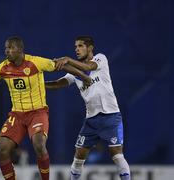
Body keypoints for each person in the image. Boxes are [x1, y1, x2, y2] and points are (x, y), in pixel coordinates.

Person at [0, 36, 91, 180]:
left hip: (38, 112)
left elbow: (62, 65)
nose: (7, 51)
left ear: (20, 50)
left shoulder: (35, 62)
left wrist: (84, 77)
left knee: (38, 145)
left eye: (11, 48)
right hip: (17, 115)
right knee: (2, 150)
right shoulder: (3, 68)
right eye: (6, 48)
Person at [45, 36, 131, 180]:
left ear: (90, 48)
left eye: (80, 46)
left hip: (111, 116)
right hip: (91, 120)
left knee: (116, 155)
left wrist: (66, 59)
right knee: (78, 157)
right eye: (75, 47)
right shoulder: (74, 71)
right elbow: (59, 83)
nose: (76, 50)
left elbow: (87, 67)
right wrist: (39, 84)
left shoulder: (100, 58)